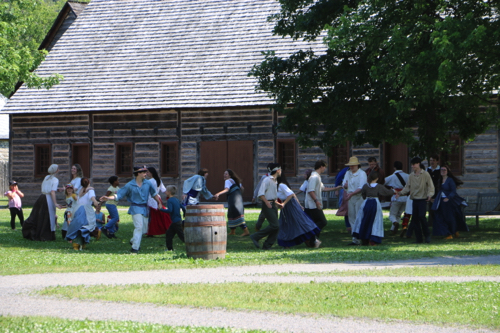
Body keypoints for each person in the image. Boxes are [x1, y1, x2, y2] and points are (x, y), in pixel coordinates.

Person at [100, 166, 161, 254]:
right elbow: (119, 195)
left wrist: (159, 202)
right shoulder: (129, 185)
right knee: (139, 227)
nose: (146, 174)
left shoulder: (148, 183)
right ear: (138, 174)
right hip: (135, 208)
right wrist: (108, 197)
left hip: (145, 209)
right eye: (144, 172)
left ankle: (133, 240)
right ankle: (135, 248)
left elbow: (154, 194)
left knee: (144, 230)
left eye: (146, 172)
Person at [397, 157, 435, 244]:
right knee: (415, 219)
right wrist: (400, 193)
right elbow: (407, 187)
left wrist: (430, 195)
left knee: (422, 217)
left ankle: (427, 236)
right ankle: (419, 239)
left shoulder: (425, 174)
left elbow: (430, 186)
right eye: (412, 164)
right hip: (415, 200)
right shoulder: (411, 175)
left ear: (418, 164)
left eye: (414, 164)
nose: (412, 166)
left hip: (422, 200)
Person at [276, 174, 320, 248]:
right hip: (286, 208)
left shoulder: (281, 185)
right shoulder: (275, 186)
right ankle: (287, 243)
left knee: (300, 222)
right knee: (286, 224)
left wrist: (298, 205)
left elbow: (291, 195)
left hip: (291, 205)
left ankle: (313, 241)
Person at [352, 171, 395, 245]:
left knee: (364, 219)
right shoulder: (379, 186)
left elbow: (363, 194)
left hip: (366, 203)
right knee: (375, 221)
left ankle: (364, 237)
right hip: (375, 203)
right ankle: (373, 238)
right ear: (377, 178)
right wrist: (393, 190)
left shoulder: (365, 186)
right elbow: (387, 192)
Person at [22, 164, 62, 241]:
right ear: (56, 170)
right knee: (47, 217)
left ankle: (37, 232)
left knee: (39, 216)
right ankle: (45, 235)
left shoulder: (46, 177)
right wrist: (55, 203)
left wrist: (58, 189)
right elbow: (52, 192)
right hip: (48, 199)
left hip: (41, 197)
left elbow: (49, 188)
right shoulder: (55, 180)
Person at [250, 163, 283, 250]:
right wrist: (267, 203)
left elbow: (272, 195)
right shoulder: (267, 180)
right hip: (267, 205)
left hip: (273, 204)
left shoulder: (275, 181)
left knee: (277, 227)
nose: (281, 171)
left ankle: (267, 246)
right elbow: (261, 194)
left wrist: (277, 204)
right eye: (280, 169)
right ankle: (255, 236)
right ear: (277, 170)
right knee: (275, 225)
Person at [304, 160, 339, 243]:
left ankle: (314, 240)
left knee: (316, 222)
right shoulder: (314, 177)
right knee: (322, 222)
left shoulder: (317, 176)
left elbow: (323, 188)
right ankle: (311, 236)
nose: (325, 169)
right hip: (312, 204)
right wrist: (316, 201)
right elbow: (310, 191)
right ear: (321, 167)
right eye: (325, 167)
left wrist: (337, 188)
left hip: (314, 204)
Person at [431, 164, 469, 239]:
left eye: (444, 170)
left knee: (449, 217)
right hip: (441, 201)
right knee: (440, 217)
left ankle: (451, 233)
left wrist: (448, 198)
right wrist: (435, 199)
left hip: (449, 202)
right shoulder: (439, 180)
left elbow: (453, 191)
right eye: (441, 170)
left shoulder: (450, 180)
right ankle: (449, 232)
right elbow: (439, 192)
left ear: (447, 171)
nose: (443, 171)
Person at [65, 177, 101, 250]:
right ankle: (81, 242)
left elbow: (85, 198)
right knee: (85, 226)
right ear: (89, 182)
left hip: (78, 209)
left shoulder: (82, 190)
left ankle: (80, 243)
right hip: (85, 210)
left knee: (80, 225)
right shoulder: (89, 190)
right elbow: (92, 198)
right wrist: (96, 202)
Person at [214, 169, 249, 237]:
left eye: (226, 174)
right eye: (224, 173)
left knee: (236, 214)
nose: (224, 175)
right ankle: (232, 231)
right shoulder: (236, 181)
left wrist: (218, 194)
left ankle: (246, 231)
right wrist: (239, 194)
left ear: (230, 175)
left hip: (233, 200)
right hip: (238, 199)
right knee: (231, 213)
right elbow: (242, 188)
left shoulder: (228, 181)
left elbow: (227, 189)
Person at [343, 156, 368, 245]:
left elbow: (361, 187)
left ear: (357, 165)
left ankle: (361, 237)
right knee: (351, 217)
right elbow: (344, 184)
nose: (351, 167)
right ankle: (355, 238)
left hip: (359, 197)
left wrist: (351, 194)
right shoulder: (348, 173)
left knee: (359, 216)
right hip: (350, 197)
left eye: (353, 165)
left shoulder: (362, 174)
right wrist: (345, 186)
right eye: (350, 165)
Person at [384, 161, 409, 235]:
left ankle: (395, 223)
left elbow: (383, 182)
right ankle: (393, 229)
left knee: (392, 215)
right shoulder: (407, 176)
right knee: (399, 214)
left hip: (396, 197)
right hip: (405, 197)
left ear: (394, 168)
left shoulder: (392, 177)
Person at [159, 185, 185, 251]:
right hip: (178, 220)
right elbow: (183, 207)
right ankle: (169, 249)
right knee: (169, 234)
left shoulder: (170, 200)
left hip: (175, 222)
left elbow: (170, 210)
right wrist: (184, 214)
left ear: (169, 192)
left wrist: (161, 209)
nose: (165, 192)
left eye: (166, 191)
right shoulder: (176, 199)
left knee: (181, 236)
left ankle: (191, 245)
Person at [146, 166, 171, 236]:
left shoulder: (149, 181)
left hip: (152, 199)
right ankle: (153, 231)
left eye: (147, 172)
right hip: (157, 198)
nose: (146, 173)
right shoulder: (158, 180)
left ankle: (152, 231)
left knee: (154, 216)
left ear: (151, 173)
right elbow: (164, 190)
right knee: (158, 215)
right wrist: (170, 196)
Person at [252, 164, 272, 231]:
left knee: (273, 213)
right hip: (266, 198)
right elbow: (259, 187)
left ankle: (274, 227)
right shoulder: (265, 177)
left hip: (273, 198)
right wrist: (254, 196)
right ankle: (258, 226)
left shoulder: (276, 177)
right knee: (263, 214)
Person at [426, 155, 441, 227]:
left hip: (438, 190)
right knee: (431, 208)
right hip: (430, 191)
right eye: (431, 160)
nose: (432, 162)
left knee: (438, 207)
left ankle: (438, 222)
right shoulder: (427, 170)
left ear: (437, 161)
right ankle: (431, 223)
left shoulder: (440, 170)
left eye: (434, 160)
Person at [334, 166, 350, 232]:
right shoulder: (345, 170)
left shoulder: (360, 173)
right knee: (345, 207)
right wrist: (336, 188)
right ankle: (348, 226)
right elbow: (338, 178)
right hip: (344, 190)